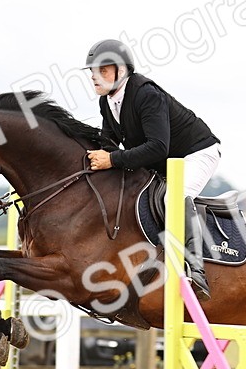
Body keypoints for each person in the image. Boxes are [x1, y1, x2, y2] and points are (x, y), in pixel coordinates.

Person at [83, 38, 220, 297]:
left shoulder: (146, 94)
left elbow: (157, 147)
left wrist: (111, 160)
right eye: (92, 71)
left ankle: (197, 270)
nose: (94, 76)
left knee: (173, 197)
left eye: (102, 70)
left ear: (121, 71)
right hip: (165, 161)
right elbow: (108, 145)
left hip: (197, 152)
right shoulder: (107, 102)